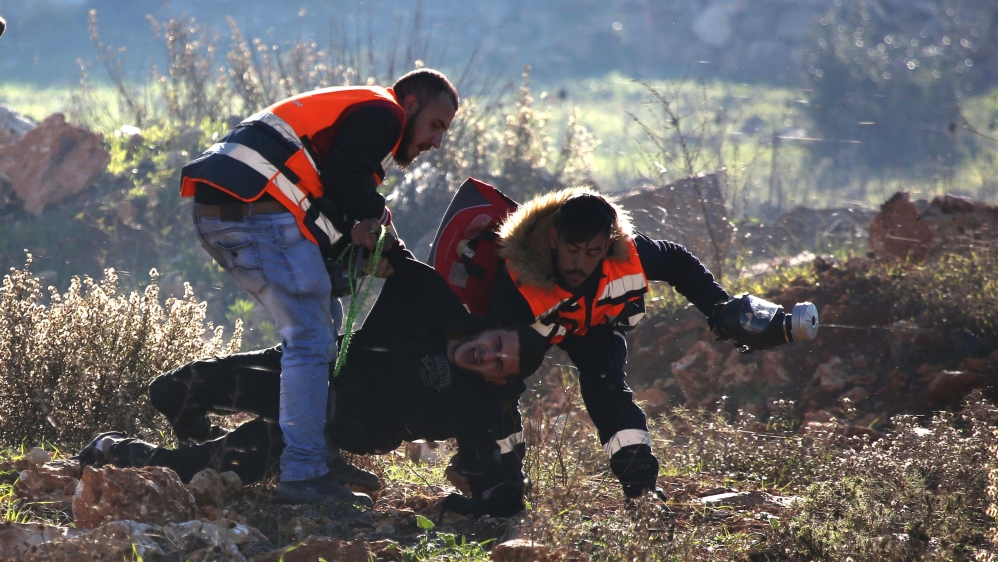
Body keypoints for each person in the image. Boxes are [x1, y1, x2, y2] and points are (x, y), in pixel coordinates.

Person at [76, 238, 544, 516]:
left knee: (194, 471)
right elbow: (396, 257)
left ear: (499, 380)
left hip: (317, 433)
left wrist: (480, 498)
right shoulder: (438, 310)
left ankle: (116, 449)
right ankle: (208, 436)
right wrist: (365, 232)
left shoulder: (475, 403)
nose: (488, 356)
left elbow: (497, 482)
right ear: (490, 327)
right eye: (497, 343)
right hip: (302, 370)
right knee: (171, 390)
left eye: (500, 364)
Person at [179, 69, 459, 503]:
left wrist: (357, 227)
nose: (436, 142)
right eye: (436, 125)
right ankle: (304, 473)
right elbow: (347, 177)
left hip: (226, 211)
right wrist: (375, 220)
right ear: (410, 105)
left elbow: (329, 185)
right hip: (258, 210)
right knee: (310, 340)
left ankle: (320, 456)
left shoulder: (356, 109)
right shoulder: (384, 113)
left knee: (322, 330)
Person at [490, 187, 731, 500]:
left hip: (592, 327)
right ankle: (502, 484)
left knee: (609, 393)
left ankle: (642, 491)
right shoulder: (514, 276)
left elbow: (676, 261)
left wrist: (719, 307)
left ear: (608, 244)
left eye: (593, 252)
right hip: (532, 332)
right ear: (553, 239)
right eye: (572, 249)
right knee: (500, 386)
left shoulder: (627, 250)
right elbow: (485, 357)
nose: (580, 263)